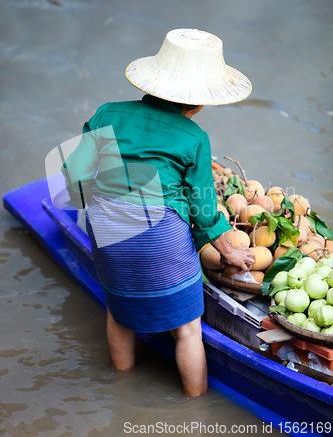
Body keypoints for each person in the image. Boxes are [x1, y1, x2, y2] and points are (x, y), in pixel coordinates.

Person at [61, 28, 255, 397]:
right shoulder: (193, 136)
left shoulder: (108, 113)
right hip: (159, 233)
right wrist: (229, 252)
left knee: (118, 315)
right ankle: (194, 407)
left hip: (107, 226)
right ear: (198, 104)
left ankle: (122, 388)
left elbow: (74, 175)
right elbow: (201, 206)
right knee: (187, 329)